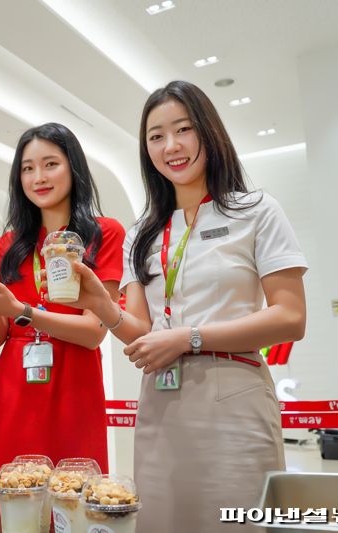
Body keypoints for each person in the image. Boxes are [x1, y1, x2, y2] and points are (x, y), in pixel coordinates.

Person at [65, 81, 307, 531]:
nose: (171, 146)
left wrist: (190, 337)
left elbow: (291, 318)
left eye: (183, 129)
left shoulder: (255, 211)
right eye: (156, 136)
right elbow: (141, 333)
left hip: (235, 393)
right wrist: (100, 302)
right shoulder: (143, 233)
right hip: (161, 403)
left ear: (209, 133)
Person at [0, 123, 125, 513]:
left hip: (74, 385)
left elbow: (93, 332)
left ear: (73, 168)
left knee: (70, 504)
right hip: (13, 388)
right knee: (10, 506)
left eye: (50, 164)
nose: (39, 177)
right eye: (28, 168)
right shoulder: (6, 245)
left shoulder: (104, 233)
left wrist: (23, 312)